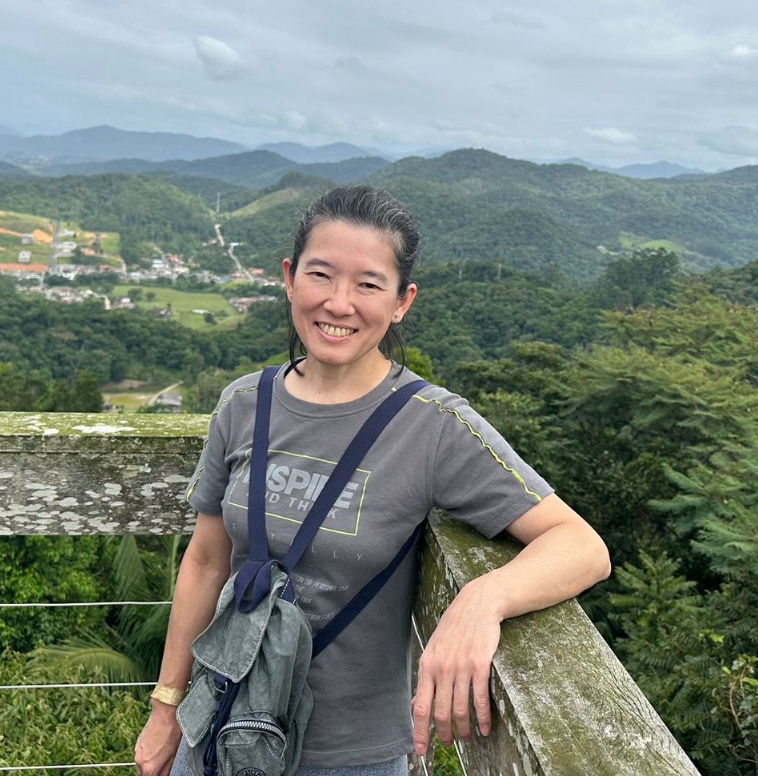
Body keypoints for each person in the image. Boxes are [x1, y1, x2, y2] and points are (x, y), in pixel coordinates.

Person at [135, 185, 610, 776]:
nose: (339, 303)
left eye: (368, 284)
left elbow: (583, 547)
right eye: (321, 275)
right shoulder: (243, 404)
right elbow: (206, 562)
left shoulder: (433, 426)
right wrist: (166, 709)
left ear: (402, 301)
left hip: (350, 755)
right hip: (218, 726)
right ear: (288, 278)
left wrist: (483, 598)